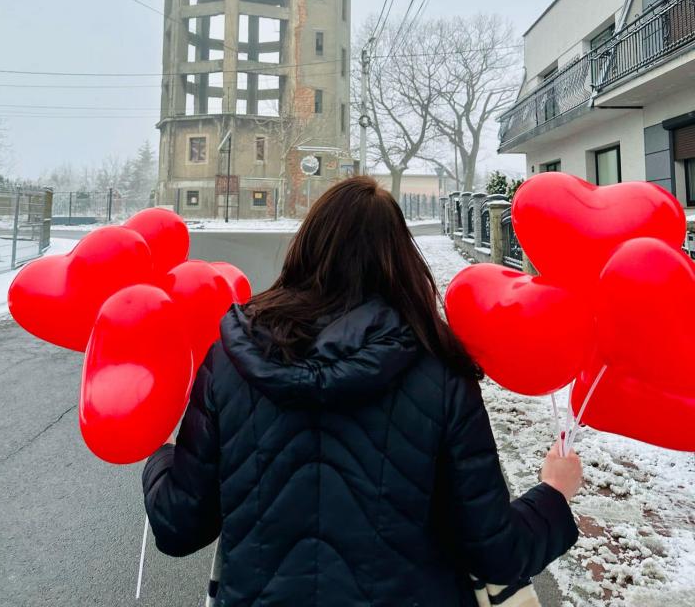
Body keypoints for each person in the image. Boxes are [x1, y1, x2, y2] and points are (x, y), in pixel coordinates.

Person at [143, 176, 582, 606]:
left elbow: (179, 526)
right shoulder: (440, 374)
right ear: (400, 257)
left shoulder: (229, 362)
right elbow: (494, 552)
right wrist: (554, 496)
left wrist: (160, 452)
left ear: (306, 248)